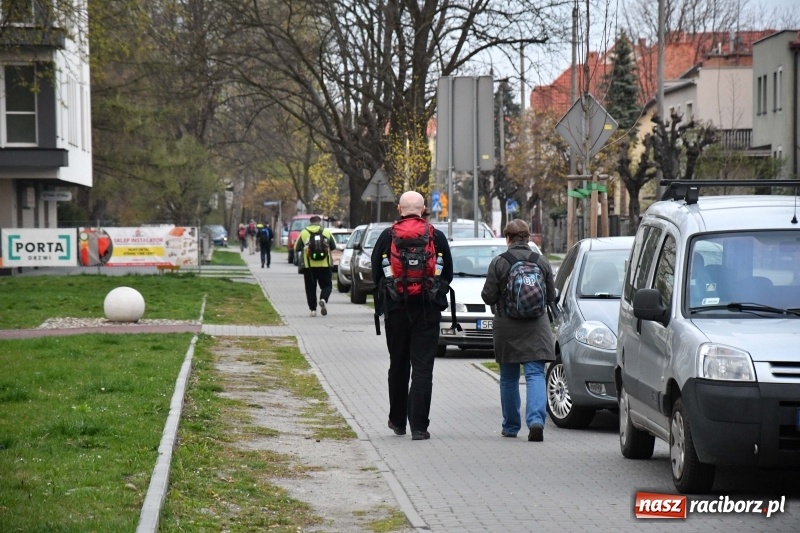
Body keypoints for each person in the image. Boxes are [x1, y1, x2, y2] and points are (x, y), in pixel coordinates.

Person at [371, 191, 453, 441]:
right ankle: (419, 427)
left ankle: (397, 422)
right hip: (427, 311)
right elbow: (447, 273)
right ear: (424, 208)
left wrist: (390, 296)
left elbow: (376, 273)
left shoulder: (387, 237)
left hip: (396, 310)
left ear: (399, 209)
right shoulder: (435, 236)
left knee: (398, 364)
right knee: (422, 368)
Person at [480, 219, 556, 442]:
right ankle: (536, 421)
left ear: (508, 238)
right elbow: (551, 296)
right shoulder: (541, 261)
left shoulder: (499, 262)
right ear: (529, 237)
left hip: (507, 325)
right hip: (537, 326)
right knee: (534, 374)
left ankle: (511, 426)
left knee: (509, 378)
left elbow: (488, 296)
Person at [294, 215, 336, 317]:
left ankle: (313, 310)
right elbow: (333, 246)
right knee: (327, 286)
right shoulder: (326, 232)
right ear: (319, 222)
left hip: (309, 266)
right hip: (324, 265)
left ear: (310, 222)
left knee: (310, 288)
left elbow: (296, 248)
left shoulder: (304, 232)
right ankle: (323, 299)